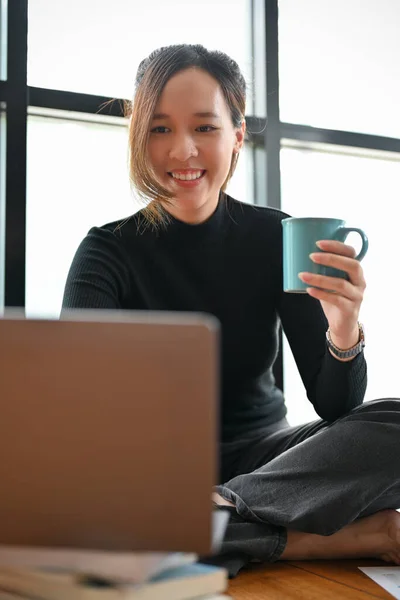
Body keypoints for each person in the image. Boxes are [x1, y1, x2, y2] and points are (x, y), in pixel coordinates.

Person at [62, 44, 400, 576]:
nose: (183, 152)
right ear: (138, 138)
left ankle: (209, 518)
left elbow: (337, 406)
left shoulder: (274, 236)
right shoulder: (106, 253)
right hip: (151, 471)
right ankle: (299, 539)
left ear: (237, 134)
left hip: (270, 461)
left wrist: (344, 326)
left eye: (204, 128)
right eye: (159, 129)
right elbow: (79, 414)